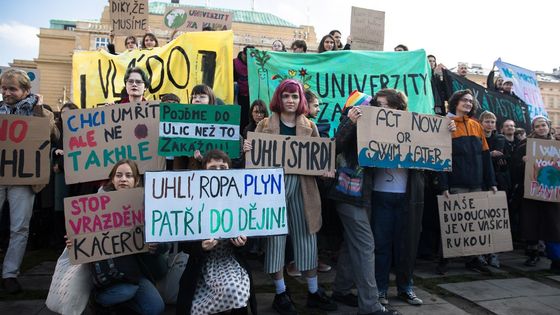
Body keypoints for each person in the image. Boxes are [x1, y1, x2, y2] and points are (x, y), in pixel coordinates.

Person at [243, 79, 337, 314]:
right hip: (274, 187)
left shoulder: (310, 126)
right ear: (279, 98)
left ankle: (313, 292)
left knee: (307, 237)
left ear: (300, 100)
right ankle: (280, 293)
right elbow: (253, 164)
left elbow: (320, 160)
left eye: (295, 96)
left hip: (304, 188)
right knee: (275, 240)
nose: (290, 101)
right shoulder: (264, 124)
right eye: (286, 96)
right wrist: (247, 151)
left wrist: (326, 169)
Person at [329, 91, 400, 315]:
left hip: (364, 195)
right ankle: (370, 305)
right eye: (375, 105)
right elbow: (334, 147)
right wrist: (350, 122)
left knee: (352, 246)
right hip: (347, 193)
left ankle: (340, 290)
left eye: (383, 106)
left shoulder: (378, 126)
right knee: (365, 246)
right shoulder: (350, 123)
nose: (379, 109)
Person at [0, 69, 59, 294]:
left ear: (26, 90)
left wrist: (40, 111)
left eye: (12, 89)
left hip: (23, 180)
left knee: (20, 227)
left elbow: (54, 136)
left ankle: (10, 274)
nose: (6, 93)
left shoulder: (40, 111)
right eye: (4, 88)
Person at [176, 150, 256, 315]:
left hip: (230, 260)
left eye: (223, 167)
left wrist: (243, 243)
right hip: (201, 264)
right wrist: (201, 247)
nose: (218, 172)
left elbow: (253, 240)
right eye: (213, 167)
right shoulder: (192, 199)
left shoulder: (240, 198)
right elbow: (184, 244)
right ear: (204, 170)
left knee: (236, 292)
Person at [82, 159, 166, 315]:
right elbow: (83, 237)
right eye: (119, 175)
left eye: (129, 175)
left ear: (136, 180)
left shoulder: (148, 204)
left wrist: (156, 245)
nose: (123, 179)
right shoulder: (97, 205)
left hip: (135, 273)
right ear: (112, 179)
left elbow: (165, 243)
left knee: (155, 308)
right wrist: (73, 243)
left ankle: (119, 307)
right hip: (111, 273)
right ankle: (98, 300)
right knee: (126, 291)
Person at [438, 89, 497, 274]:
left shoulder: (477, 125)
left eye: (471, 101)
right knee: (452, 224)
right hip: (456, 182)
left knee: (474, 225)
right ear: (455, 102)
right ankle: (444, 259)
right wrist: (444, 185)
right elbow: (441, 157)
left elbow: (486, 156)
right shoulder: (445, 124)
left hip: (477, 183)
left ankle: (473, 259)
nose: (468, 103)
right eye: (464, 100)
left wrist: (492, 182)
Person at [512, 116, 560, 269]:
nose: (541, 128)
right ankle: (532, 254)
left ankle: (556, 258)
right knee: (532, 224)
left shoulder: (557, 146)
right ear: (533, 128)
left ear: (548, 126)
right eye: (537, 126)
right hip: (531, 193)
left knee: (553, 226)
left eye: (543, 125)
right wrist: (523, 162)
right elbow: (514, 169)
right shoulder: (525, 146)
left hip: (552, 193)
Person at [234, 45, 255, 132]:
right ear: (243, 54)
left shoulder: (255, 63)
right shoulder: (234, 63)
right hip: (239, 97)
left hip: (252, 96)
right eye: (247, 57)